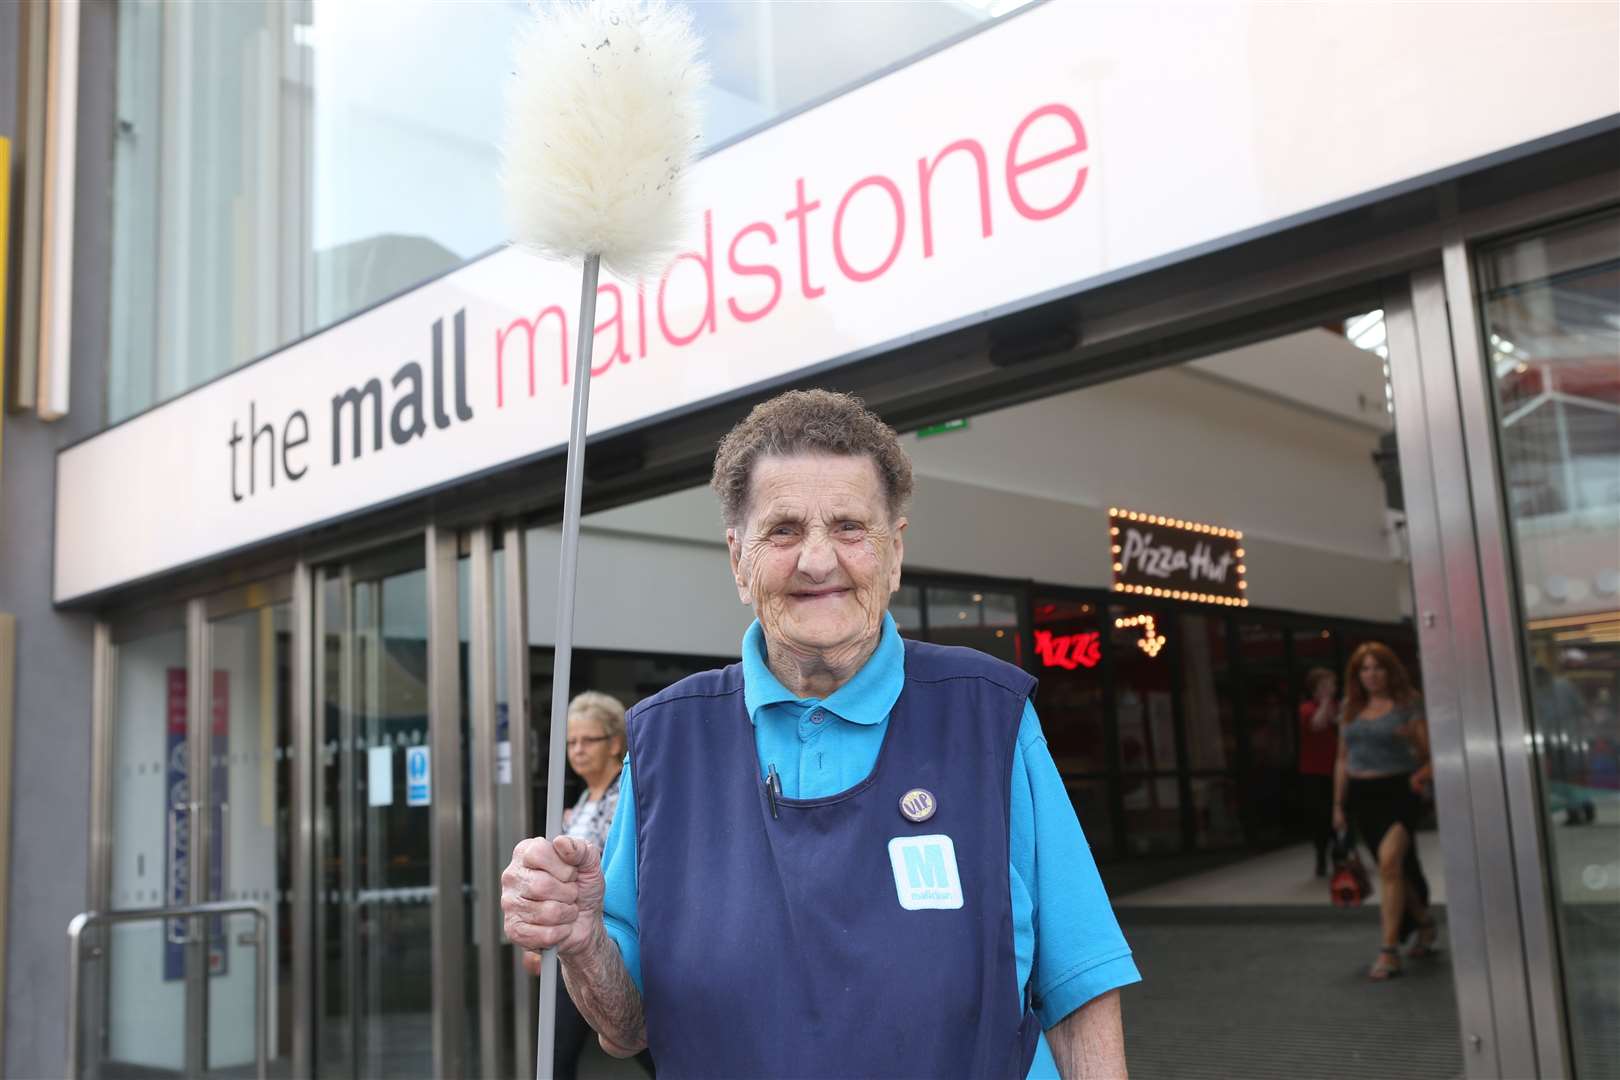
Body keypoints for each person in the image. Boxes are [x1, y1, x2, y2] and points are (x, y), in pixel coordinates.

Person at [502, 389, 1138, 1078]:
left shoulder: (988, 716)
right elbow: (627, 1029)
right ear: (737, 560)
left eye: (848, 527)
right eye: (782, 530)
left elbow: (1081, 990)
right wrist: (581, 937)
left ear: (893, 554)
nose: (816, 560)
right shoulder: (666, 742)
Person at [551, 691, 654, 1080]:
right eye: (570, 742)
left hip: (613, 941)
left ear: (614, 743)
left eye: (587, 740)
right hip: (574, 942)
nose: (576, 751)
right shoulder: (581, 800)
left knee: (643, 1042)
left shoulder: (626, 794)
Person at [1332, 642, 1439, 980]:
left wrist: (1418, 771)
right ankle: (1423, 922)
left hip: (1399, 791)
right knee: (1395, 870)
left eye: (1377, 667)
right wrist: (1337, 804)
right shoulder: (1349, 707)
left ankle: (1388, 950)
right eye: (1364, 669)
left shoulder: (1408, 704)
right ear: (1356, 675)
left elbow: (1431, 755)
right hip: (1362, 796)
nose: (1371, 675)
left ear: (1389, 670)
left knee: (1390, 862)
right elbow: (1342, 759)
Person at [1297, 667, 1339, 877]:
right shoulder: (1306, 708)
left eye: (1332, 684)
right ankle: (1321, 856)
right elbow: (1317, 725)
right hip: (1314, 772)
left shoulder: (1336, 707)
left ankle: (1340, 855)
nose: (1331, 688)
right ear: (1316, 688)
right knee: (1320, 816)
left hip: (1336, 770)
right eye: (1326, 684)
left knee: (1338, 813)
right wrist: (1324, 703)